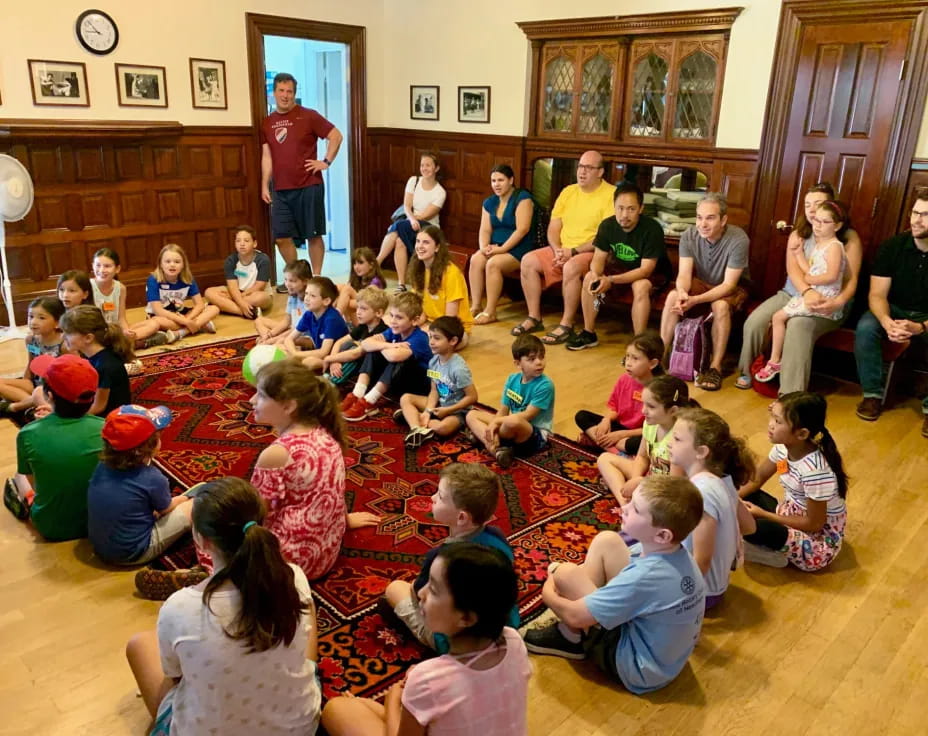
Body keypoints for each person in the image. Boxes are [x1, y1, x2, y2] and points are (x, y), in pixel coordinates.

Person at [125, 477, 322, 735]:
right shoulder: (293, 576)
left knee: (140, 645)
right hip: (299, 728)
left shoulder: (178, 607)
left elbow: (176, 675)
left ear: (202, 539)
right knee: (305, 606)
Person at [522, 475, 705, 694]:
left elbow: (574, 615)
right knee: (606, 541)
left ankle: (571, 637)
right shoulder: (676, 555)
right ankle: (576, 632)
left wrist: (548, 589)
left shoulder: (646, 577)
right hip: (668, 661)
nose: (625, 508)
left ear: (663, 535)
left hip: (638, 669)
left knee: (565, 574)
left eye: (636, 509)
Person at [322, 543, 529, 736]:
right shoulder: (513, 641)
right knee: (363, 708)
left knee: (336, 709)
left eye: (434, 590)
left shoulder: (427, 679)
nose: (421, 593)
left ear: (466, 617)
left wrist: (393, 698)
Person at [251, 359, 377, 578]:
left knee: (205, 515)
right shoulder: (326, 434)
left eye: (261, 395)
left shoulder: (277, 454)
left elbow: (254, 513)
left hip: (289, 564)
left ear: (289, 406)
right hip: (325, 552)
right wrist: (343, 520)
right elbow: (327, 492)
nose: (252, 400)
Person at [736, 182, 863, 392]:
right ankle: (747, 372)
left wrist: (837, 302)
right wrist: (807, 291)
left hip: (829, 301)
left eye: (819, 204)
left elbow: (851, 280)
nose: (812, 210)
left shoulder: (847, 238)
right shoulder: (799, 233)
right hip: (793, 293)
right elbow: (794, 271)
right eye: (807, 205)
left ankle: (790, 395)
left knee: (798, 326)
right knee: (755, 321)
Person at [382, 463, 519, 649]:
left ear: (462, 517)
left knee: (395, 588)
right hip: (504, 628)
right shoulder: (497, 536)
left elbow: (420, 595)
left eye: (440, 496)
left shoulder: (442, 558)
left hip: (456, 642)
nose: (432, 498)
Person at [513, 151, 615, 345]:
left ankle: (567, 324)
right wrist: (558, 249)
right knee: (528, 261)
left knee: (572, 266)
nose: (582, 172)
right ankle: (534, 318)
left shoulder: (610, 195)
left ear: (600, 172)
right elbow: (554, 227)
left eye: (589, 168)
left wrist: (573, 252)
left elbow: (604, 237)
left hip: (592, 252)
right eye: (580, 167)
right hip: (563, 248)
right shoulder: (568, 191)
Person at [739, 392, 849, 570]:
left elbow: (814, 524)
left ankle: (772, 554)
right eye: (772, 418)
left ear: (802, 434)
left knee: (755, 525)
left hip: (816, 541)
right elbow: (757, 479)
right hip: (791, 512)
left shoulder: (815, 472)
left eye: (778, 421)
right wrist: (730, 498)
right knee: (744, 500)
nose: (770, 425)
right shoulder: (783, 449)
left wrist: (763, 514)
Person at [3, 354, 103, 541]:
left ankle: (25, 504)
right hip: (100, 521)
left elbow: (36, 484)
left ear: (49, 396)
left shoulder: (28, 434)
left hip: (52, 527)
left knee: (20, 475)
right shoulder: (105, 427)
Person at [853, 185, 928, 432]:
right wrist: (886, 321)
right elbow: (876, 294)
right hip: (893, 309)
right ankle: (872, 395)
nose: (917, 220)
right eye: (915, 213)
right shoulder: (893, 247)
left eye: (925, 215)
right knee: (866, 327)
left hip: (926, 318)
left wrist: (920, 327)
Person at [658, 193, 750, 391]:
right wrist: (683, 291)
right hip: (703, 282)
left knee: (720, 305)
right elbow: (684, 274)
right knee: (674, 295)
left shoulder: (738, 239)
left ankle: (715, 367)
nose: (703, 224)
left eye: (710, 218)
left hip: (731, 287)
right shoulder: (689, 235)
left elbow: (729, 285)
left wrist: (695, 299)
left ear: (723, 220)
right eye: (699, 217)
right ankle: (660, 355)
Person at [669, 407, 756, 609]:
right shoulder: (722, 480)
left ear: (701, 452)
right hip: (711, 586)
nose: (670, 444)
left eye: (677, 439)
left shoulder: (702, 492)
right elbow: (750, 527)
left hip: (700, 593)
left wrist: (675, 601)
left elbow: (702, 560)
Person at [754, 201, 849, 383]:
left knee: (778, 317)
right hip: (814, 292)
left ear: (837, 226)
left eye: (825, 222)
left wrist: (810, 280)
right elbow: (809, 270)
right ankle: (775, 359)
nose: (818, 226)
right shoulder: (819, 246)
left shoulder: (835, 247)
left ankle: (775, 361)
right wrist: (798, 255)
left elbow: (832, 275)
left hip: (824, 298)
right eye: (816, 221)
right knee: (778, 317)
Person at [568, 182, 671, 350]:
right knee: (589, 278)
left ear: (641, 209)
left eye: (631, 209)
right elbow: (598, 259)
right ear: (614, 207)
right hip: (619, 269)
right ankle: (589, 332)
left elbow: (646, 270)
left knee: (640, 286)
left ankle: (639, 342)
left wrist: (611, 280)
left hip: (652, 274)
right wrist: (596, 274)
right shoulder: (607, 225)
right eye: (620, 208)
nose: (624, 214)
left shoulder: (652, 229)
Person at [260, 72, 343, 277]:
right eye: (281, 91)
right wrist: (264, 184)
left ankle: (315, 278)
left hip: (309, 185)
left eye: (289, 91)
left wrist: (325, 162)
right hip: (280, 189)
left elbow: (336, 136)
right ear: (274, 93)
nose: (285, 95)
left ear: (294, 94)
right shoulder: (267, 123)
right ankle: (299, 276)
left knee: (313, 235)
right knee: (281, 237)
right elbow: (267, 156)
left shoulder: (309, 115)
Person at [87, 405, 193, 565]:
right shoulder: (152, 478)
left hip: (98, 545)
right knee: (196, 504)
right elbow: (166, 508)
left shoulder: (102, 465)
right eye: (157, 436)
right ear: (147, 447)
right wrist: (184, 498)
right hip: (132, 552)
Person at [598, 375, 694, 503]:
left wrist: (640, 483)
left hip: (670, 491)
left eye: (651, 407)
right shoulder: (650, 424)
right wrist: (635, 479)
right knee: (604, 459)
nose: (643, 410)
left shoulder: (680, 438)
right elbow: (642, 457)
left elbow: (674, 486)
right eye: (644, 404)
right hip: (651, 480)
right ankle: (625, 504)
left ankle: (632, 504)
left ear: (673, 411)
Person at [465, 333, 554, 469]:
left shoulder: (545, 385)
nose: (539, 362)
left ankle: (485, 438)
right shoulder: (512, 379)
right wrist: (497, 422)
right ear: (518, 364)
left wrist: (495, 423)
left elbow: (527, 415)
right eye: (531, 359)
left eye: (541, 357)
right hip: (509, 427)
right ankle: (497, 450)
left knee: (512, 421)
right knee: (471, 415)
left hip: (534, 434)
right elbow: (503, 411)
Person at [342, 291, 432, 421]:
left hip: (421, 384)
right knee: (374, 351)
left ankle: (369, 402)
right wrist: (388, 346)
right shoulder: (394, 330)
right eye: (391, 316)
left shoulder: (420, 338)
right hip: (400, 381)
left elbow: (394, 357)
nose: (393, 321)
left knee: (399, 359)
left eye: (399, 318)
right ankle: (357, 394)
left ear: (415, 320)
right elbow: (366, 343)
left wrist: (381, 345)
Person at [574, 331, 663, 456]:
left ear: (652, 363)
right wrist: (606, 421)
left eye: (635, 358)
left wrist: (621, 435)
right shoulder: (624, 379)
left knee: (646, 443)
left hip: (639, 434)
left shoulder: (660, 388)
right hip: (620, 428)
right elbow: (615, 408)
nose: (628, 362)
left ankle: (599, 443)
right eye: (627, 356)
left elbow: (656, 429)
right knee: (582, 416)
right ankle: (616, 451)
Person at [469, 164, 537, 325]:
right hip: (496, 245)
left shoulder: (523, 198)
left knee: (493, 264)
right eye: (493, 181)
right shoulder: (489, 202)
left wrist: (502, 249)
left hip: (520, 247)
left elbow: (522, 229)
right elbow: (485, 229)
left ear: (511, 180)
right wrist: (484, 247)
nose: (496, 184)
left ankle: (491, 311)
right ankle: (476, 306)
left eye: (501, 180)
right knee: (476, 259)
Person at [397, 316, 477, 447]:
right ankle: (416, 428)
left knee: (442, 428)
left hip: (457, 411)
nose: (431, 342)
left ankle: (413, 417)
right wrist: (428, 411)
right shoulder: (433, 361)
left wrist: (449, 410)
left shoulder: (459, 369)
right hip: (439, 404)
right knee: (406, 398)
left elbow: (472, 397)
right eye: (430, 337)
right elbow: (434, 390)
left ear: (453, 341)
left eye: (437, 338)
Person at [375, 152, 446, 292]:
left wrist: (413, 219)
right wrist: (412, 219)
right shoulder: (413, 181)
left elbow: (427, 215)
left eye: (428, 165)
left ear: (436, 169)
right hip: (410, 221)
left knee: (399, 226)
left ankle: (377, 263)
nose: (424, 168)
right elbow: (406, 206)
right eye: (422, 165)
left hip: (429, 226)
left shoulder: (440, 192)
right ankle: (401, 283)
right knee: (399, 241)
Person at [129, 244, 220, 343]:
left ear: (183, 264)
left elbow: (199, 304)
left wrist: (188, 319)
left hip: (180, 314)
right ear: (160, 264)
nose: (172, 265)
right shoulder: (153, 280)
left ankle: (181, 333)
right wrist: (187, 322)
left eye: (177, 262)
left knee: (214, 308)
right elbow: (159, 310)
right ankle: (200, 325)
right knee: (157, 322)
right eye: (167, 261)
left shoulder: (188, 279)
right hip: (160, 316)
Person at [60, 305, 132, 417]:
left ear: (88, 338)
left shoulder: (104, 366)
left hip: (110, 420)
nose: (62, 337)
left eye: (68, 333)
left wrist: (70, 419)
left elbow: (98, 407)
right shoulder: (92, 355)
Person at [0, 297, 65, 417]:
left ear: (57, 322)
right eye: (30, 316)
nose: (33, 322)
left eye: (41, 318)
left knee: (37, 393)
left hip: (54, 391)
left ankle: (25, 404)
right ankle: (33, 403)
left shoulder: (65, 344)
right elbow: (31, 365)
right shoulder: (30, 339)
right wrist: (24, 382)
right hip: (36, 384)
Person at [407, 225, 474, 343]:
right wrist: (411, 324)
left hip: (452, 329)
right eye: (418, 241)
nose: (420, 246)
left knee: (416, 343)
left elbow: (449, 319)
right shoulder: (419, 268)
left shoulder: (451, 273)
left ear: (437, 247)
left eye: (426, 242)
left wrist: (425, 332)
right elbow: (419, 308)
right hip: (430, 323)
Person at [322, 286, 389, 385]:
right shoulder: (364, 326)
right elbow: (339, 342)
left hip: (374, 370)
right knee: (347, 344)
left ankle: (334, 380)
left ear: (378, 313)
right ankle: (331, 373)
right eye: (358, 307)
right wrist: (334, 361)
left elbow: (356, 354)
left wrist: (329, 358)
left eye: (363, 309)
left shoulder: (381, 331)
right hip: (360, 364)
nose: (358, 312)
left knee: (354, 351)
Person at [203, 225, 273, 319]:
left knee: (260, 298)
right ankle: (247, 312)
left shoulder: (263, 259)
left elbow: (259, 286)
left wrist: (239, 298)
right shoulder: (230, 260)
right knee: (209, 292)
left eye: (246, 241)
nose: (242, 244)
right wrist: (240, 301)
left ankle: (224, 306)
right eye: (238, 241)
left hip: (256, 293)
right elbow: (232, 286)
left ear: (254, 243)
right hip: (237, 292)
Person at [284, 276, 349, 372]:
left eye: (312, 296)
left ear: (326, 301)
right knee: (281, 348)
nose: (306, 298)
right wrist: (293, 352)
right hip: (320, 353)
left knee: (309, 362)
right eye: (306, 293)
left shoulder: (332, 318)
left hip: (335, 358)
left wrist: (296, 355)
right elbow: (289, 338)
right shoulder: (309, 314)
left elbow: (323, 352)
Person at [255, 259, 313, 345]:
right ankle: (266, 340)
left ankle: (268, 343)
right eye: (286, 280)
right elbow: (286, 321)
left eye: (292, 281)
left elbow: (298, 330)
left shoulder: (310, 301)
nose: (287, 284)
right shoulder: (293, 295)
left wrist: (273, 339)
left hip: (306, 337)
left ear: (305, 281)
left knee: (280, 341)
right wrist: (269, 335)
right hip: (293, 330)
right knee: (259, 321)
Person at [91, 248, 132, 337]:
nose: (101, 270)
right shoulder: (88, 286)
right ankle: (143, 342)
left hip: (115, 331)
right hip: (96, 333)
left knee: (153, 324)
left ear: (117, 269)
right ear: (93, 266)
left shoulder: (121, 288)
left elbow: (121, 318)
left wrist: (126, 330)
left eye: (107, 266)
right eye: (98, 265)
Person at [334, 247, 386, 315]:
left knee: (346, 291)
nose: (356, 267)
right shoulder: (357, 279)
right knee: (340, 288)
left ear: (371, 265)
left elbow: (368, 304)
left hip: (367, 315)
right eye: (354, 263)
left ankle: (335, 318)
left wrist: (340, 300)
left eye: (360, 263)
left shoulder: (375, 282)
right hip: (355, 316)